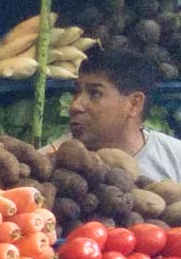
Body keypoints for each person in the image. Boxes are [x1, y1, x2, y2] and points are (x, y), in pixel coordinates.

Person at [66, 48, 181, 183]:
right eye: (76, 92)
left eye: (94, 94)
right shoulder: (53, 160)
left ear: (134, 104)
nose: (75, 106)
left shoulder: (175, 157)